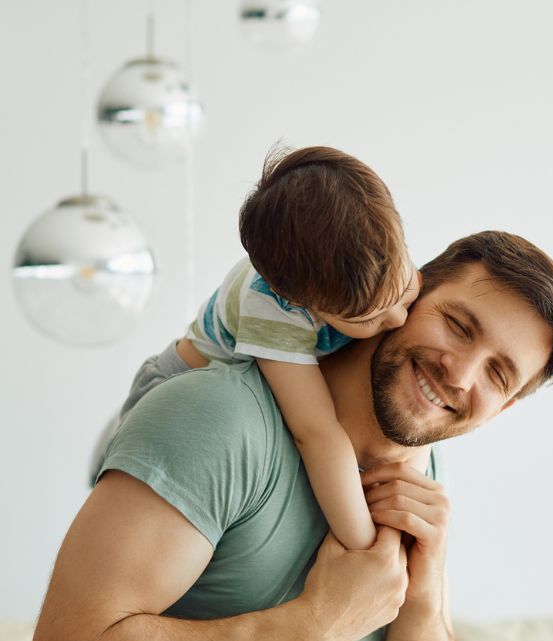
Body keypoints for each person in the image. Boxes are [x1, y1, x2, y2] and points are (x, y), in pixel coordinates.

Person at [29, 231, 553, 641]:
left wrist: (423, 585)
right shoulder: (219, 418)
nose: (460, 373)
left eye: (497, 373)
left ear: (505, 407)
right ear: (410, 294)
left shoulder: (421, 473)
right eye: (459, 326)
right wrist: (313, 624)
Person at [104, 145, 420, 552]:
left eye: (406, 287)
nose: (397, 319)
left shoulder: (376, 260)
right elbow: (317, 433)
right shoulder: (273, 309)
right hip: (174, 392)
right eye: (367, 320)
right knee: (137, 531)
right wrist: (366, 546)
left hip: (246, 391)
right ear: (306, 304)